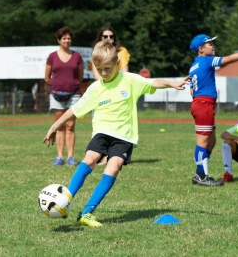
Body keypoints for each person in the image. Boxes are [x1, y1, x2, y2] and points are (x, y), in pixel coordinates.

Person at [43, 41, 190, 227]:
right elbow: (74, 109)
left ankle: (86, 213)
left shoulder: (130, 80)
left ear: (117, 65)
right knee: (89, 159)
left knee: (112, 168)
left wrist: (172, 83)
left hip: (124, 136)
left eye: (107, 68)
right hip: (102, 132)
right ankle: (64, 201)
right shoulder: (95, 88)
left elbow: (154, 82)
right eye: (99, 69)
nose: (104, 73)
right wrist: (54, 126)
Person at [188, 34, 238, 186]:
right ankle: (200, 175)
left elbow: (192, 91)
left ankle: (202, 172)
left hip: (202, 103)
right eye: (210, 44)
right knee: (203, 142)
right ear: (201, 49)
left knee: (211, 141)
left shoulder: (194, 65)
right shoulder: (207, 60)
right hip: (204, 104)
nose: (213, 46)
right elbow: (229, 59)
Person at [44, 26, 84, 166]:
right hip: (56, 96)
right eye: (64, 38)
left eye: (69, 38)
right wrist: (57, 87)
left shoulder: (77, 56)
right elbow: (47, 77)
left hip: (74, 95)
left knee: (70, 126)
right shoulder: (52, 56)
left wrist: (71, 86)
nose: (67, 40)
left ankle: (71, 157)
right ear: (59, 40)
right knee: (60, 126)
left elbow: (80, 76)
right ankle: (60, 156)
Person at [92, 26, 131, 166]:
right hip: (103, 91)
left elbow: (125, 72)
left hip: (118, 91)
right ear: (100, 38)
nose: (108, 39)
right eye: (105, 36)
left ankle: (113, 155)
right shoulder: (97, 53)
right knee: (102, 124)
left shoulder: (122, 52)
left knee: (117, 123)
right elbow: (97, 75)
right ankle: (103, 154)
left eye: (111, 36)